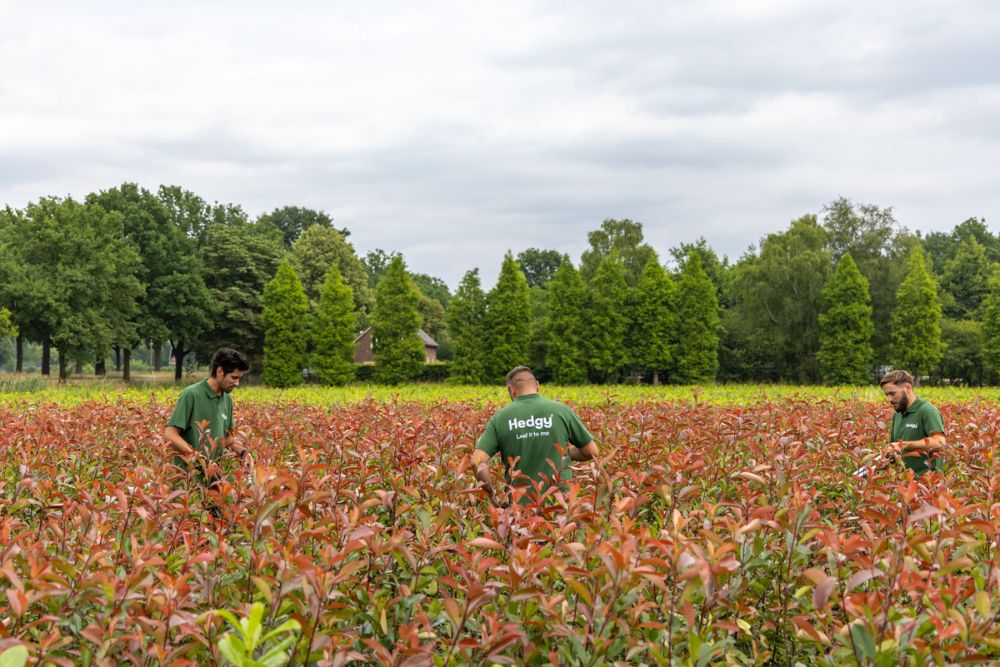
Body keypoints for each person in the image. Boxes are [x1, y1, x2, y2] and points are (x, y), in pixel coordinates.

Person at [471, 365, 598, 505]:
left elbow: (477, 462)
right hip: (560, 505)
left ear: (511, 390)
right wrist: (565, 454)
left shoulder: (499, 419)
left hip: (521, 510)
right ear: (537, 385)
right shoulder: (562, 411)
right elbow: (591, 451)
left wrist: (491, 492)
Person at [163, 347, 251, 486]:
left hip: (214, 481)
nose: (237, 383)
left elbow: (226, 439)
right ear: (220, 371)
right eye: (233, 378)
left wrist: (243, 453)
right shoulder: (192, 394)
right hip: (188, 481)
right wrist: (198, 458)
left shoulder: (226, 399)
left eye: (239, 379)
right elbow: (170, 434)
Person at [880, 369, 946, 475]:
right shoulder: (897, 415)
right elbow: (894, 449)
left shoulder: (927, 410)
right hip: (904, 482)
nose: (889, 399)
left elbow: (940, 443)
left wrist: (904, 445)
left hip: (928, 484)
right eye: (886, 395)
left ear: (907, 388)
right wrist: (886, 460)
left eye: (892, 393)